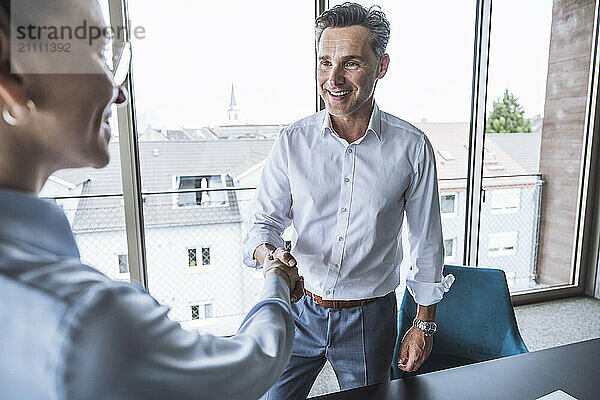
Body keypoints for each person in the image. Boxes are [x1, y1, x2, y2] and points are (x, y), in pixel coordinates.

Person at [0, 1, 303, 399]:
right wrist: (276, 281)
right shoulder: (92, 319)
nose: (119, 92)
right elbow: (250, 364)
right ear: (12, 69)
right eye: (100, 53)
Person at [243, 3, 455, 399]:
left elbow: (426, 243)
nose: (333, 79)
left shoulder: (412, 148)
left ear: (381, 66)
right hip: (299, 308)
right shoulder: (292, 141)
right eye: (325, 63)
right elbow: (262, 224)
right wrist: (268, 256)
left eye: (351, 63)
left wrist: (424, 323)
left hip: (369, 317)